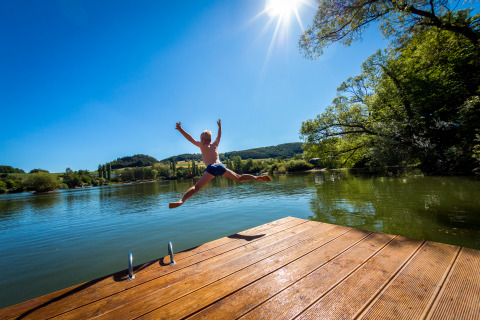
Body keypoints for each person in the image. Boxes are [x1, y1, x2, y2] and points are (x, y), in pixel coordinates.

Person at [169, 119, 271, 209]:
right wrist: (220, 127)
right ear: (210, 139)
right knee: (239, 178)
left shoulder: (202, 145)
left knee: (196, 187)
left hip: (211, 168)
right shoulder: (215, 145)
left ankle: (181, 200)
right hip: (220, 166)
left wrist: (180, 129)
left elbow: (190, 138)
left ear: (202, 140)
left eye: (200, 139)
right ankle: (256, 178)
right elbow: (219, 136)